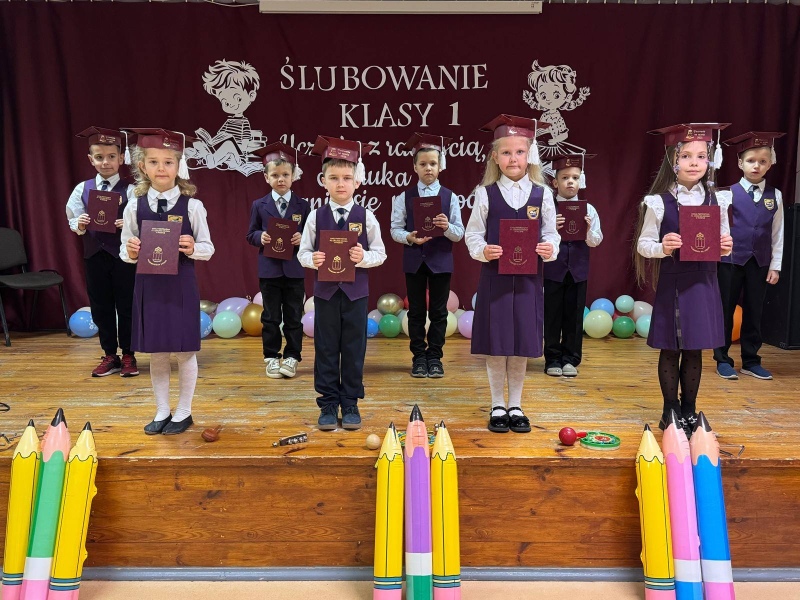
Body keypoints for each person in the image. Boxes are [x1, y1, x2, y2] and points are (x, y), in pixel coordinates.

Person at [634, 123, 733, 437]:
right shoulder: (659, 202)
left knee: (694, 349)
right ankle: (670, 410)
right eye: (687, 156)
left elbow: (724, 241)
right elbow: (643, 244)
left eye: (701, 156)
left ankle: (689, 410)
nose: (694, 162)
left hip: (704, 282)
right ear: (673, 161)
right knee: (671, 348)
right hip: (675, 282)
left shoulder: (718, 200)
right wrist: (663, 247)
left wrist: (726, 245)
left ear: (709, 160)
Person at [465, 114, 560, 434]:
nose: (513, 158)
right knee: (497, 342)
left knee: (520, 342)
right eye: (506, 152)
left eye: (520, 152)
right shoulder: (485, 193)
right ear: (495, 157)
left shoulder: (542, 193)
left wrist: (549, 247)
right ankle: (497, 403)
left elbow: (552, 233)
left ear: (530, 154)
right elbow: (473, 234)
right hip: (495, 279)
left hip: (529, 279)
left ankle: (516, 404)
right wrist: (483, 250)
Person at [120, 128, 215, 435]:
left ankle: (184, 412)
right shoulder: (134, 205)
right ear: (142, 167)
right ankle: (162, 410)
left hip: (180, 285)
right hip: (149, 285)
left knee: (184, 351)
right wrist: (131, 251)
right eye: (154, 162)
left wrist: (193, 247)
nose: (161, 168)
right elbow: (125, 248)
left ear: (178, 166)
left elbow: (208, 248)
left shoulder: (192, 206)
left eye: (168, 162)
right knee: (157, 351)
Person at [298, 136, 386, 431]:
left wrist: (363, 257)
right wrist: (313, 260)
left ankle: (350, 402)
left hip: (355, 295)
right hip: (325, 294)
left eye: (347, 178)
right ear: (323, 181)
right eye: (334, 178)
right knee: (325, 347)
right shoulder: (315, 217)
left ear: (357, 181)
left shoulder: (366, 217)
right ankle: (327, 403)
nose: (340, 184)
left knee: (353, 348)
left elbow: (381, 254)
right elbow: (302, 253)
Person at [390, 132, 464, 378]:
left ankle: (435, 357)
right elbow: (395, 230)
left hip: (441, 261)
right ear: (415, 167)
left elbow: (459, 233)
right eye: (423, 164)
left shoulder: (450, 197)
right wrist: (409, 237)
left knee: (439, 313)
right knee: (416, 312)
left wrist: (446, 227)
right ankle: (418, 358)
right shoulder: (404, 197)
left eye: (433, 163)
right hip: (414, 261)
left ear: (440, 166)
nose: (428, 168)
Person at [713, 131, 785, 381]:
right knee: (725, 310)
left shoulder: (775, 196)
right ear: (740, 163)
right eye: (751, 160)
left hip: (760, 262)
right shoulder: (726, 194)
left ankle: (751, 361)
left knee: (755, 311)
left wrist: (775, 265)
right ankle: (722, 359)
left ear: (770, 164)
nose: (757, 165)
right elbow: (718, 230)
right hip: (730, 261)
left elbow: (778, 233)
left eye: (763, 161)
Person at [66, 127, 138, 377]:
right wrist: (80, 223)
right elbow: (73, 219)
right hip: (94, 256)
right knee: (101, 306)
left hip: (124, 257)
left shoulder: (132, 190)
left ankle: (128, 354)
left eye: (111, 156)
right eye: (99, 157)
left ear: (121, 158)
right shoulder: (82, 189)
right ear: (91, 159)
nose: (105, 162)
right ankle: (110, 354)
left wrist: (127, 224)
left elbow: (142, 221)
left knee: (127, 305)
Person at [246, 142, 310, 379]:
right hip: (269, 270)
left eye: (285, 175)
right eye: (275, 175)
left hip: (294, 270)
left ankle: (292, 356)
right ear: (266, 177)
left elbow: (311, 236)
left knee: (294, 316)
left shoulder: (303, 205)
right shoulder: (259, 205)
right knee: (271, 317)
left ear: (293, 176)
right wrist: (260, 237)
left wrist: (302, 238)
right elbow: (250, 234)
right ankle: (271, 357)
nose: (281, 179)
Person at [542, 153, 602, 377]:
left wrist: (588, 230)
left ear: (580, 181)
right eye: (565, 178)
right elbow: (537, 239)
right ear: (555, 183)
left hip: (578, 270)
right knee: (552, 316)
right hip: (553, 270)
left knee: (574, 316)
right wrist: (551, 228)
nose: (570, 182)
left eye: (575, 178)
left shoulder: (589, 210)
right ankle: (552, 359)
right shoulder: (548, 209)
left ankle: (570, 359)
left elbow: (596, 240)